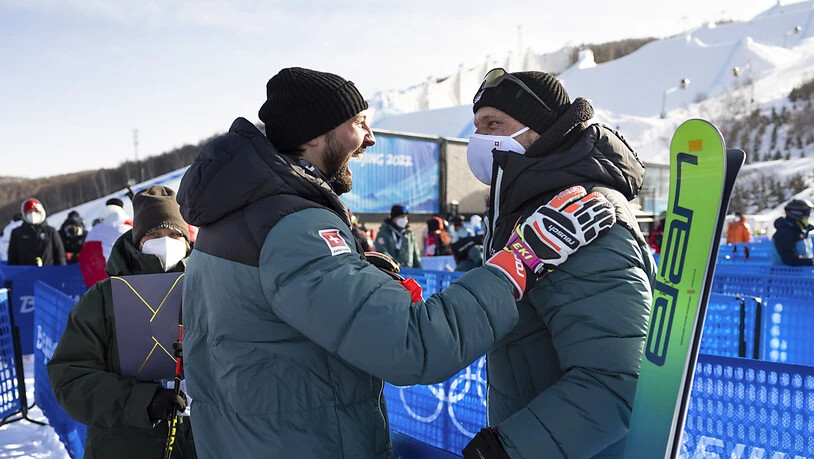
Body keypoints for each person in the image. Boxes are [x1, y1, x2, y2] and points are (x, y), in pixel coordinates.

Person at [175, 67, 614, 458]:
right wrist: (519, 261)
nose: (369, 138)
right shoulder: (293, 226)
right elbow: (412, 346)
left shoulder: (231, 216)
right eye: (358, 124)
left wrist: (361, 284)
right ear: (313, 135)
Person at [461, 68, 654, 458]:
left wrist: (508, 450)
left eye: (494, 124)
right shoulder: (526, 206)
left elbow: (618, 381)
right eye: (478, 126)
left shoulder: (581, 213)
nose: (480, 138)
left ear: (541, 129)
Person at [47, 185, 197, 458]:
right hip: (122, 446)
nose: (166, 242)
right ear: (138, 239)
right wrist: (143, 402)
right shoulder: (102, 300)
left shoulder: (210, 289)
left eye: (175, 234)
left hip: (199, 444)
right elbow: (70, 378)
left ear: (187, 241)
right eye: (154, 234)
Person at [78, 202, 133, 286]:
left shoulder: (94, 231)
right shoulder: (123, 229)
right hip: (120, 279)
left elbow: (83, 256)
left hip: (94, 281)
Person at [7, 198, 66, 266]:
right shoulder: (17, 233)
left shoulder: (50, 232)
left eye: (35, 211)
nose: (32, 214)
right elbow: (12, 258)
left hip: (48, 273)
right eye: (29, 212)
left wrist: (60, 272)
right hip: (24, 274)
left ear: (41, 213)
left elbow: (60, 255)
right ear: (24, 214)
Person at [374, 204, 423, 268]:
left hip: (408, 271)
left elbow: (416, 256)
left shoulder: (409, 235)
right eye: (401, 217)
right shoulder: (384, 233)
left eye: (405, 217)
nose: (404, 219)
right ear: (394, 218)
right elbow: (381, 251)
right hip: (390, 271)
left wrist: (420, 271)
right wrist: (393, 262)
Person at [771, 199, 814, 266]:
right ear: (797, 214)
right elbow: (790, 259)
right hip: (785, 275)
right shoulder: (784, 233)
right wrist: (811, 261)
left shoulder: (801, 231)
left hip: (802, 274)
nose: (809, 216)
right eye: (807, 213)